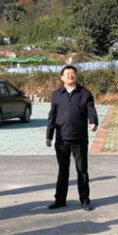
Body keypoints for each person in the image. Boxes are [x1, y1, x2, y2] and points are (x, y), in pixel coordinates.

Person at [45, 65, 97, 211]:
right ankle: (60, 199)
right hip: (62, 139)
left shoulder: (85, 93)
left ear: (76, 76)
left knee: (82, 170)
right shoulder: (56, 95)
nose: (70, 75)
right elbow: (52, 116)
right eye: (67, 73)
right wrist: (49, 136)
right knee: (63, 170)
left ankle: (85, 200)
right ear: (62, 77)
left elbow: (91, 110)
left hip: (79, 138)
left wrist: (93, 122)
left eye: (73, 73)